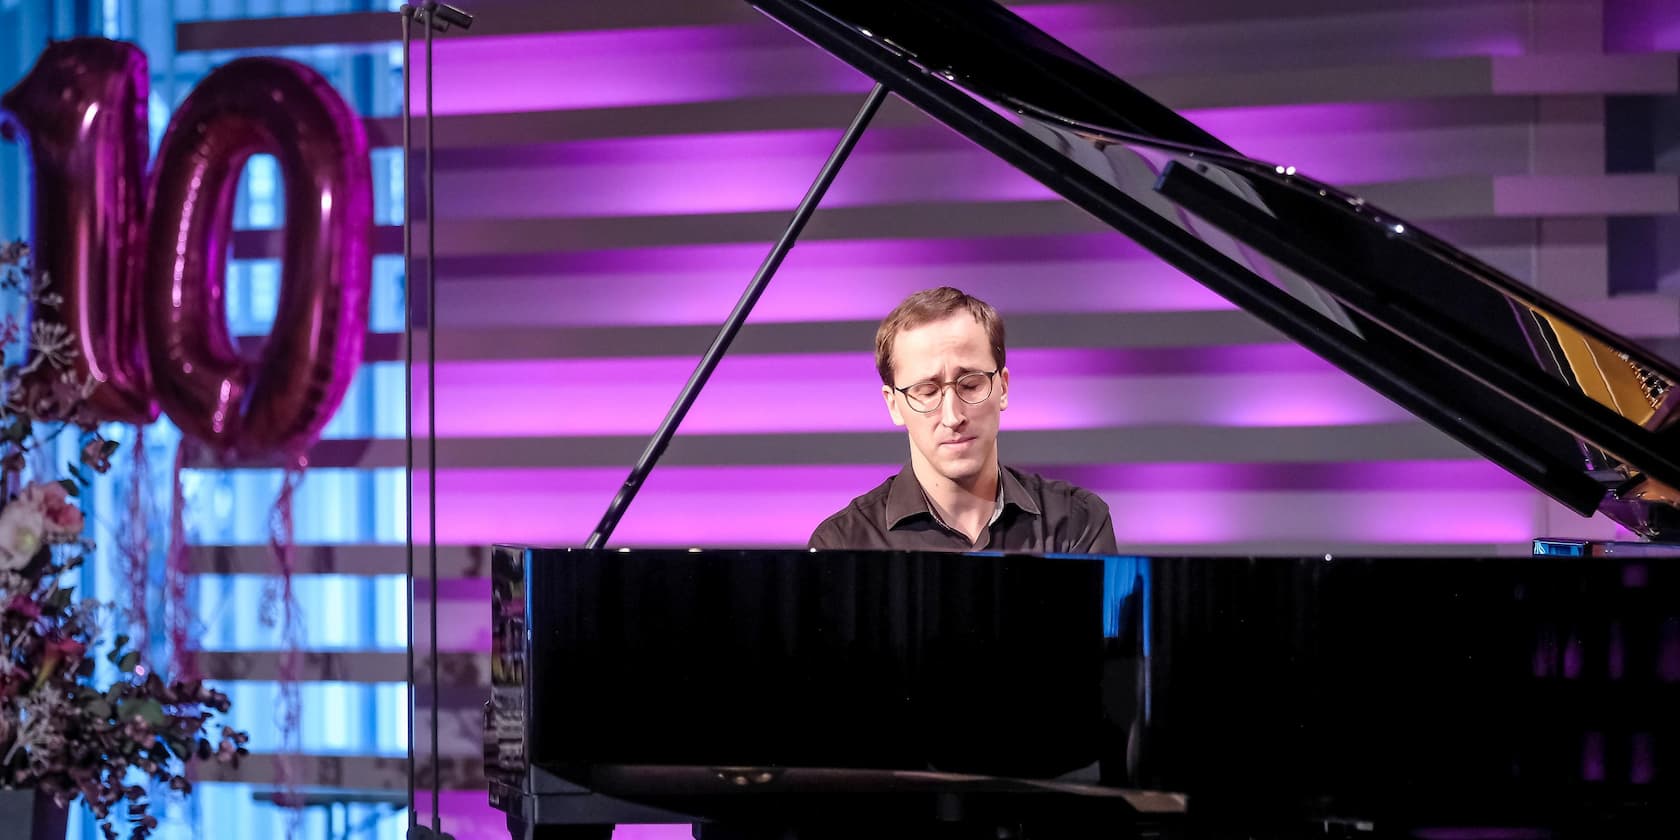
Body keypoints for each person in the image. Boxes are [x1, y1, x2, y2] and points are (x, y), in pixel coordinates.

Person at [809, 287, 1118, 553]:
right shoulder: (843, 543)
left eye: (970, 384)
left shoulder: (1077, 522)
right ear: (894, 405)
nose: (952, 416)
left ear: (1003, 388)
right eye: (926, 392)